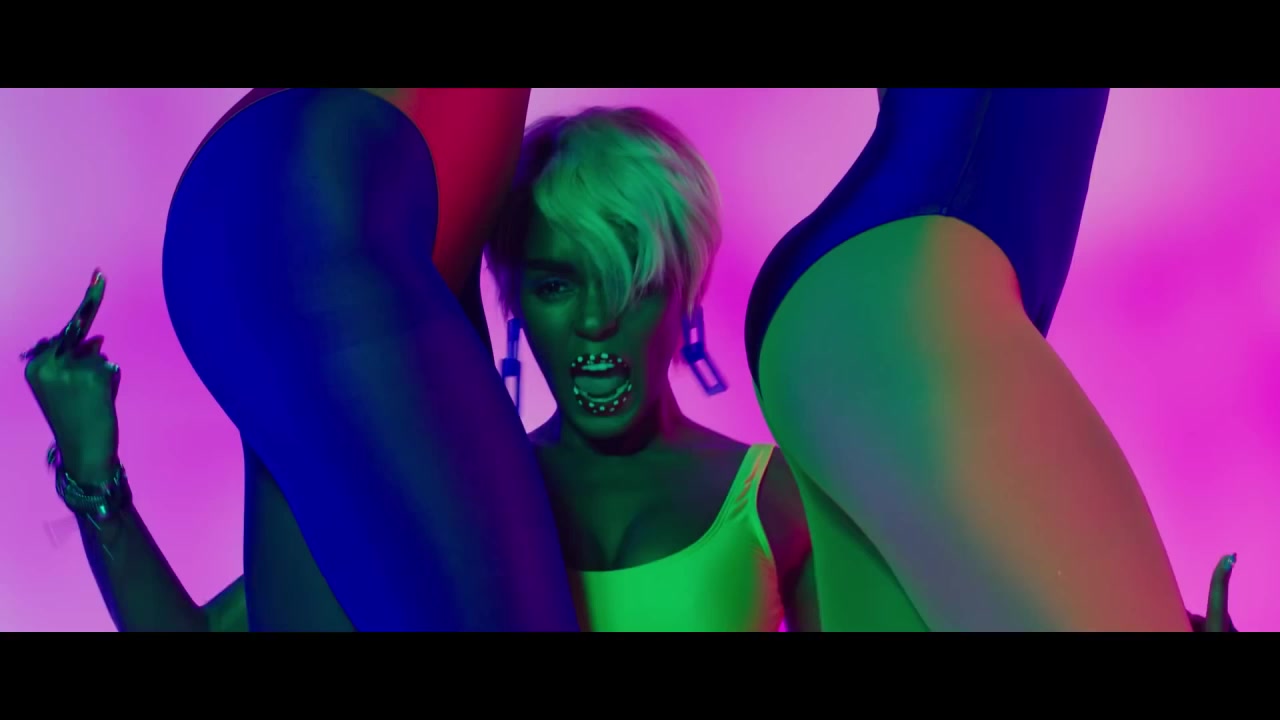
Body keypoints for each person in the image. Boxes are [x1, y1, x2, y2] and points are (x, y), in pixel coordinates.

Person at [22, 90, 1242, 631]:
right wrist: (98, 481)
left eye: (630, 284)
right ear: (508, 302)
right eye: (558, 287)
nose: (595, 332)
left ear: (682, 297)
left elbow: (943, 566)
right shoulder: (465, 489)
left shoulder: (764, 499)